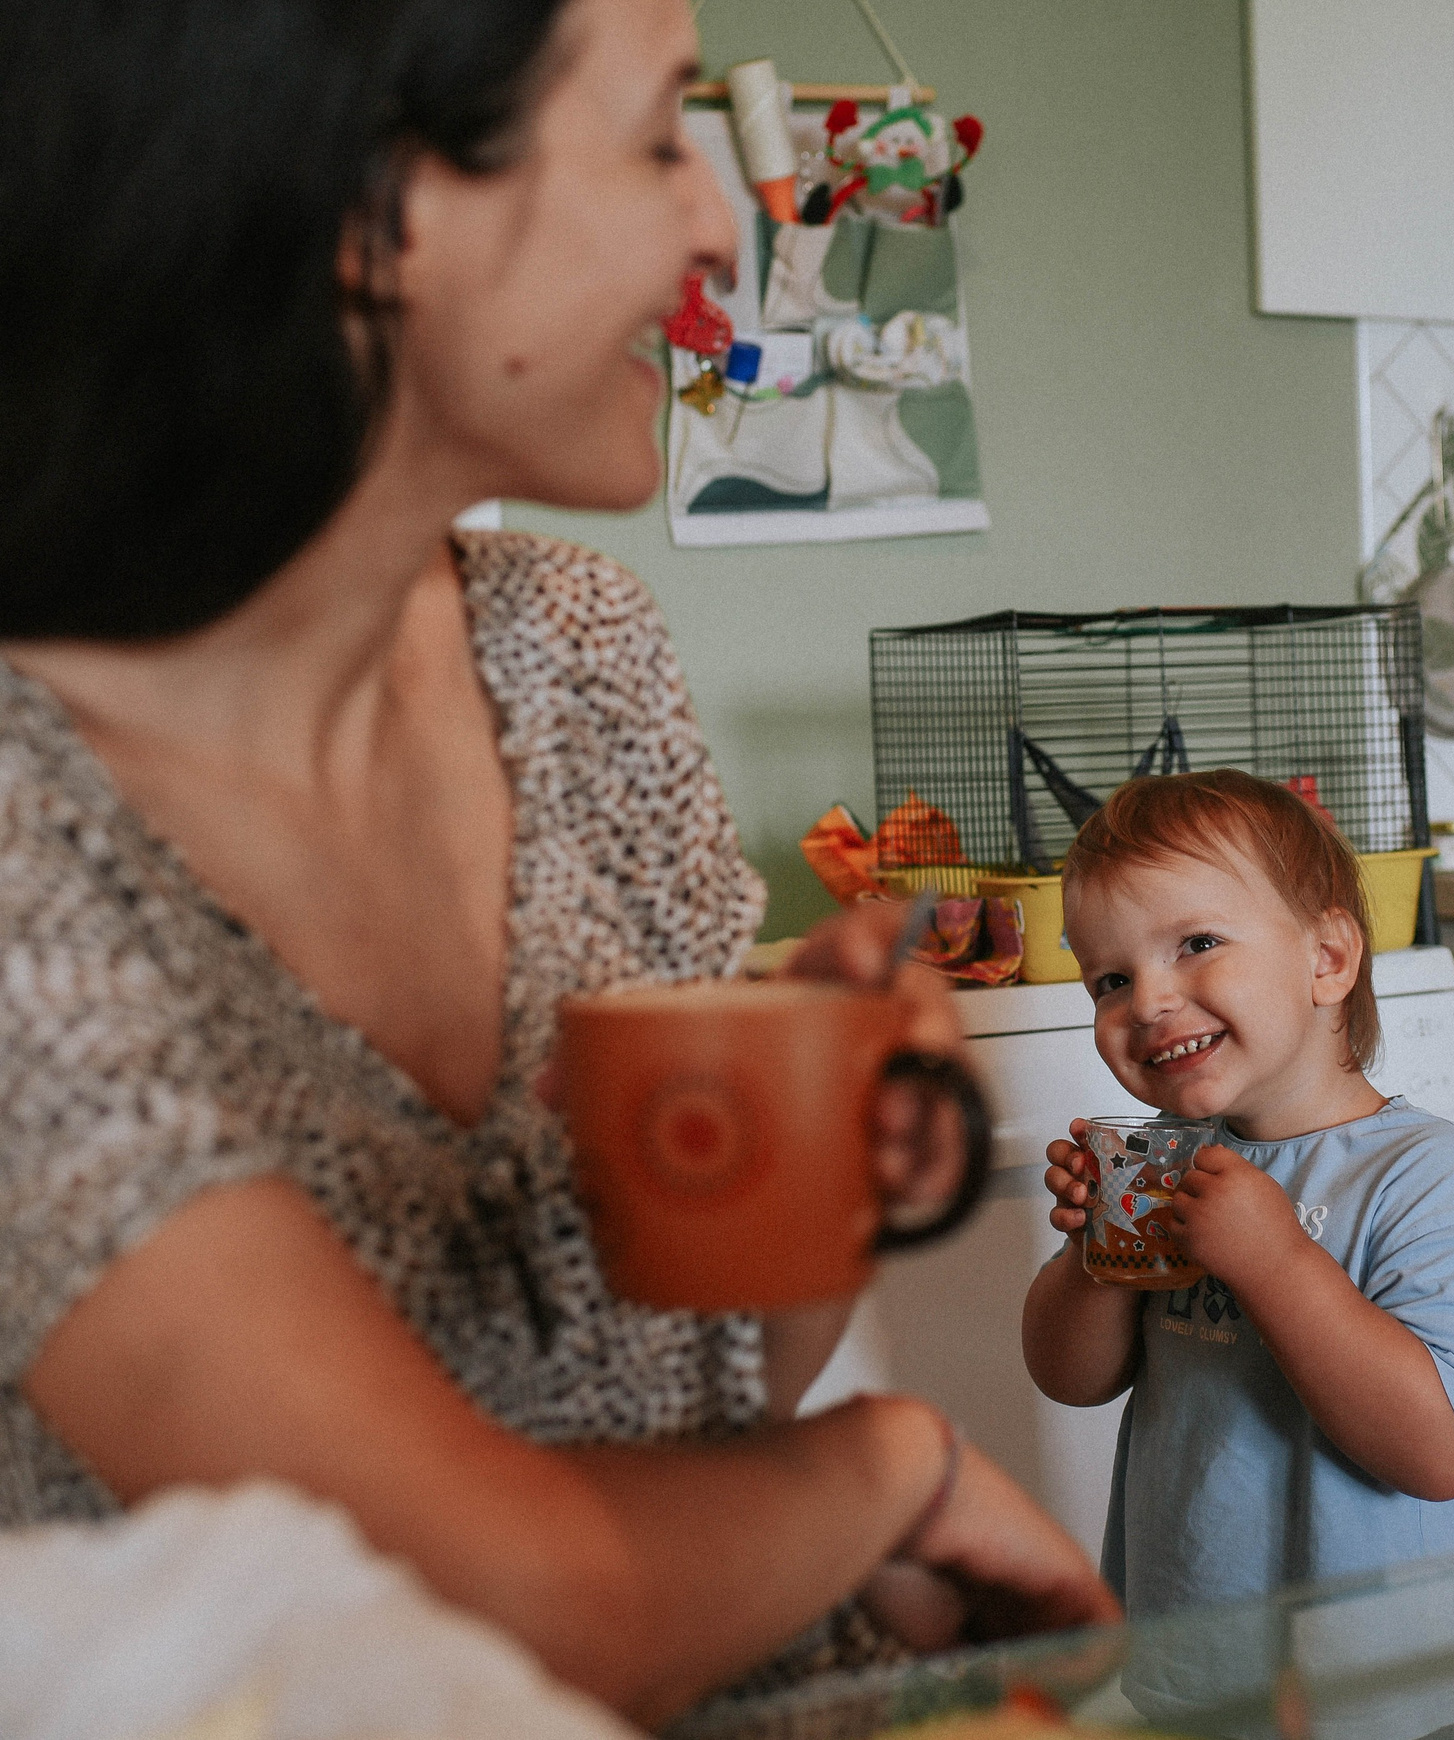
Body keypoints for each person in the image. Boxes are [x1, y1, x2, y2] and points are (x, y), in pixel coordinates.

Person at [0, 0, 1114, 1723]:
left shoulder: (578, 648)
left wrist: (816, 1159)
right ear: (383, 212)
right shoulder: (22, 834)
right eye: (658, 134)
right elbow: (507, 1606)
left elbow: (722, 1387)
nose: (717, 219)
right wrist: (893, 1472)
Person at [1021, 771, 1454, 1620]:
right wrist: (1092, 1259)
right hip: (1190, 1663)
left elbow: (1443, 1458)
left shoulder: (1435, 1179)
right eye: (1109, 980)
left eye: (1196, 944)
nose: (1145, 1000)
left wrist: (1276, 1260)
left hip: (1377, 1692)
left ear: (1326, 959)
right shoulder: (1161, 1162)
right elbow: (1070, 1379)